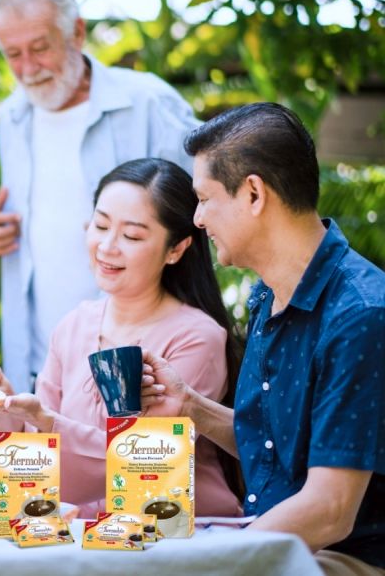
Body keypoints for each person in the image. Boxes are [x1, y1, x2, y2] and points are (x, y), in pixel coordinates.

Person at [141, 103, 384, 574]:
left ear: (253, 193)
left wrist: (213, 561)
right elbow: (275, 445)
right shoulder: (265, 297)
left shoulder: (361, 314)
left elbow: (331, 509)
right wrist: (191, 406)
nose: (197, 218)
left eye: (205, 198)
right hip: (278, 546)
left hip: (343, 558)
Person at [0, 158, 242, 517]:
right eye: (100, 225)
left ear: (176, 249)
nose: (107, 246)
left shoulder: (196, 338)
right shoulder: (74, 325)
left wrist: (46, 419)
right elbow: (29, 475)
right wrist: (7, 406)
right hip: (81, 536)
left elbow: (141, 466)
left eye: (132, 236)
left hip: (176, 539)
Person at [0, 0, 201, 394]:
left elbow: (207, 207)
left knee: (134, 461)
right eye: (13, 54)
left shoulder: (148, 102)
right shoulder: (12, 116)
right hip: (39, 359)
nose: (27, 69)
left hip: (141, 354)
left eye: (39, 48)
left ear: (76, 32)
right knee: (41, 460)